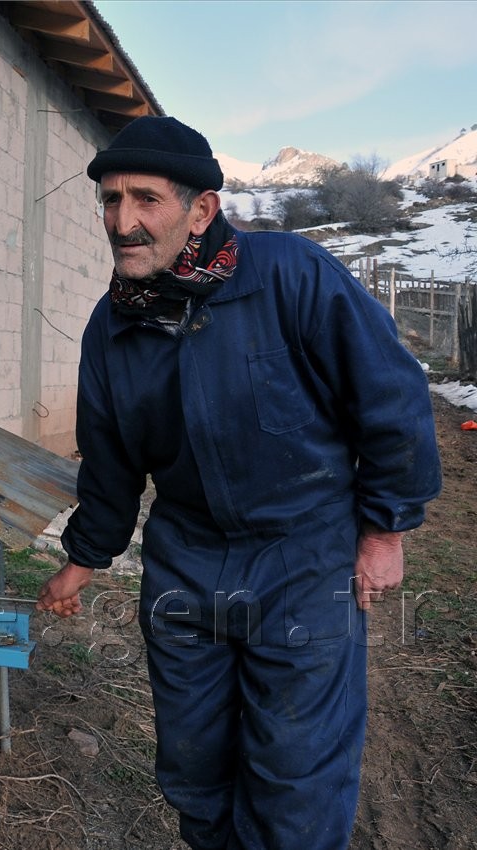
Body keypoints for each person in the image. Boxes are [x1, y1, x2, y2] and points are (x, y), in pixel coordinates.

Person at [36, 116, 441, 850]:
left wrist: (384, 530)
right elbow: (111, 462)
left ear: (201, 211)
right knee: (194, 764)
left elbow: (391, 401)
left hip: (304, 556)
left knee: (294, 776)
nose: (122, 222)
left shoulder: (290, 275)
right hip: (185, 562)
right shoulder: (113, 327)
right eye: (109, 199)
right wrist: (84, 557)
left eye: (145, 200)